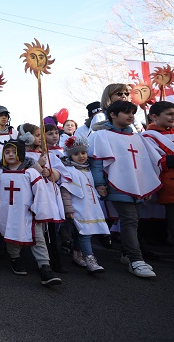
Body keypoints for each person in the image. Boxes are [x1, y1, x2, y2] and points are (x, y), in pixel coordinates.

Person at [88, 101, 161, 278]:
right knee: (129, 221)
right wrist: (99, 183)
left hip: (137, 184)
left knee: (133, 221)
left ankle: (126, 254)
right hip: (117, 185)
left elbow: (146, 163)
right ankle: (136, 260)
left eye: (133, 113)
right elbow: (97, 162)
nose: (131, 116)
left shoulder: (138, 137)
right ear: (113, 114)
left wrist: (148, 184)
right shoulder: (101, 135)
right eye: (126, 112)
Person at [0, 139, 62, 286]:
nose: (11, 155)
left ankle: (45, 267)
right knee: (10, 235)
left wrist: (40, 211)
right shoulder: (0, 172)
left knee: (37, 238)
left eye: (14, 152)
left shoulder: (30, 172)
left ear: (21, 153)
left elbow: (40, 192)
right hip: (9, 212)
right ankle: (15, 259)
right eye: (7, 152)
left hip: (29, 213)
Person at [18, 123, 68, 273]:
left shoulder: (49, 155)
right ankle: (35, 261)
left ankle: (55, 261)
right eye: (37, 135)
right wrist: (37, 166)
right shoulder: (23, 156)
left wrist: (53, 173)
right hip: (34, 198)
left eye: (41, 135)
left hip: (50, 196)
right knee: (37, 230)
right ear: (27, 136)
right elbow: (21, 174)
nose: (40, 138)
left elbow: (63, 173)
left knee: (51, 231)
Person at [59, 136, 110, 274]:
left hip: (90, 206)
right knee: (85, 232)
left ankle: (77, 254)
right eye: (76, 154)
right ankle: (90, 260)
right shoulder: (69, 170)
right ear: (70, 156)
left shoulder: (88, 169)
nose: (81, 156)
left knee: (83, 231)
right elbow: (65, 191)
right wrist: (68, 209)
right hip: (78, 206)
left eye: (83, 153)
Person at [142, 101, 174, 245]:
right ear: (154, 116)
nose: (173, 117)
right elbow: (158, 162)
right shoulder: (148, 137)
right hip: (169, 186)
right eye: (169, 114)